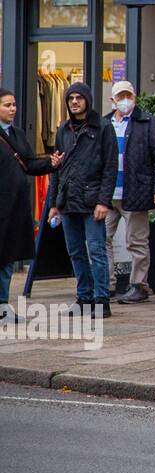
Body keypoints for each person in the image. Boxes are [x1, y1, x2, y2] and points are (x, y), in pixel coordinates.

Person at [46, 82, 117, 318]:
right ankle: (84, 296)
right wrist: (54, 204)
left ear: (87, 99)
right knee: (75, 251)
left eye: (79, 98)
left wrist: (104, 201)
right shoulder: (63, 130)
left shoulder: (103, 127)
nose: (74, 102)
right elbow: (56, 168)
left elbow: (110, 167)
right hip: (68, 200)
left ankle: (101, 299)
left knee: (96, 250)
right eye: (70, 98)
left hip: (92, 198)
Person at [102, 80, 155, 305]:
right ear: (112, 101)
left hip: (136, 191)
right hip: (107, 194)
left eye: (128, 96)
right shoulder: (104, 124)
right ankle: (106, 284)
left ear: (135, 97)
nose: (125, 101)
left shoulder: (148, 122)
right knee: (102, 239)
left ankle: (139, 285)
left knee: (136, 241)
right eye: (120, 97)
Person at [0, 88, 60, 320]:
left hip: (16, 207)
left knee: (7, 258)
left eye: (14, 104)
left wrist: (51, 164)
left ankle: (3, 304)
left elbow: (31, 164)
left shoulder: (18, 134)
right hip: (2, 207)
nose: (12, 109)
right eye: (7, 105)